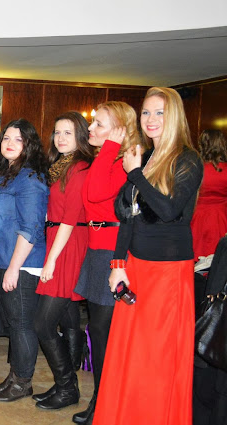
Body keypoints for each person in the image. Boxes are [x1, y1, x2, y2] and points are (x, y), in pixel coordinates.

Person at [94, 87, 203, 425]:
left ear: (175, 117)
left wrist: (135, 174)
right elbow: (128, 216)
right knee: (130, 354)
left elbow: (169, 211)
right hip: (136, 268)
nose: (151, 119)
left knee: (156, 358)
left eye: (159, 112)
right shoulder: (146, 156)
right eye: (146, 112)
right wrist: (117, 265)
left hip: (167, 274)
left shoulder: (187, 160)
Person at [72, 101, 140, 424]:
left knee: (103, 331)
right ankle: (101, 399)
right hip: (97, 247)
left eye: (99, 124)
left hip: (113, 251)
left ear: (119, 129)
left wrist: (112, 145)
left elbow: (97, 192)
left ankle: (104, 402)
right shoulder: (107, 157)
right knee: (99, 331)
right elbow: (90, 197)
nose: (91, 128)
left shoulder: (126, 160)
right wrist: (107, 147)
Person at [0, 119, 49, 401]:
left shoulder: (30, 178)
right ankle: (15, 375)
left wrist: (14, 267)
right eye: (6, 138)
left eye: (18, 139)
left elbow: (31, 227)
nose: (9, 143)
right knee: (14, 322)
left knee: (22, 324)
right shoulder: (9, 173)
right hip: (4, 259)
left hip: (22, 262)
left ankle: (23, 382)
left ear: (29, 144)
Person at [34, 112, 94, 410]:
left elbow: (70, 219)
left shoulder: (79, 167)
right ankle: (65, 385)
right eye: (57, 132)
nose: (60, 138)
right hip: (58, 240)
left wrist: (52, 260)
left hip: (67, 245)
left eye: (67, 133)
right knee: (69, 316)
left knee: (42, 324)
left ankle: (67, 386)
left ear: (80, 136)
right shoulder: (60, 166)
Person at [190, 129, 227, 260]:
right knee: (220, 258)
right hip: (221, 217)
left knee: (196, 254)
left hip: (197, 217)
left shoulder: (195, 168)